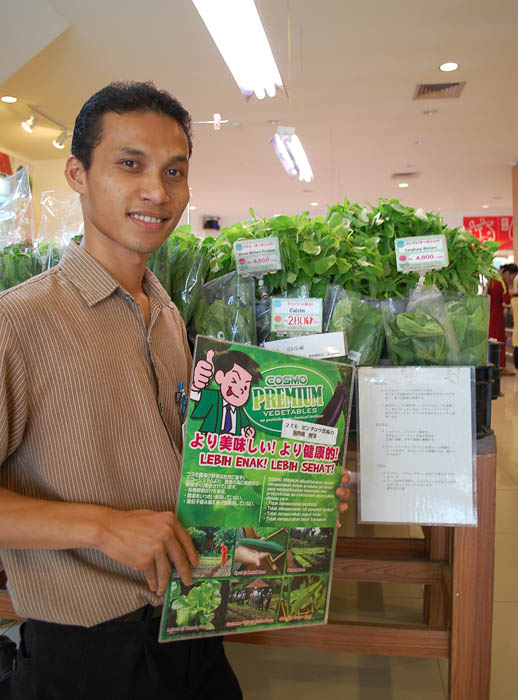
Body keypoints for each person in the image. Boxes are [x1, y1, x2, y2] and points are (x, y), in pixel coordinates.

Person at [0, 81, 351, 699]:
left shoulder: (165, 314)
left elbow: (193, 463)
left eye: (174, 171)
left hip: (192, 628)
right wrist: (103, 529)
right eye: (129, 164)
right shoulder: (19, 321)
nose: (156, 192)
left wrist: (286, 485)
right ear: (78, 174)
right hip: (86, 659)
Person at [190, 348, 261, 437]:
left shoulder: (240, 411)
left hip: (231, 446)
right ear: (220, 377)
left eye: (245, 387)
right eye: (234, 380)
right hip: (208, 442)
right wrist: (197, 385)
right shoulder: (214, 398)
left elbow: (243, 426)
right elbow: (196, 395)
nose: (240, 389)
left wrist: (246, 431)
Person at [487, 263, 518, 374]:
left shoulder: (491, 280)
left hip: (489, 313)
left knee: (490, 340)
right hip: (498, 315)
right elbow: (506, 300)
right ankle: (501, 366)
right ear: (507, 273)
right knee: (500, 340)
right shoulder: (502, 282)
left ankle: (491, 364)